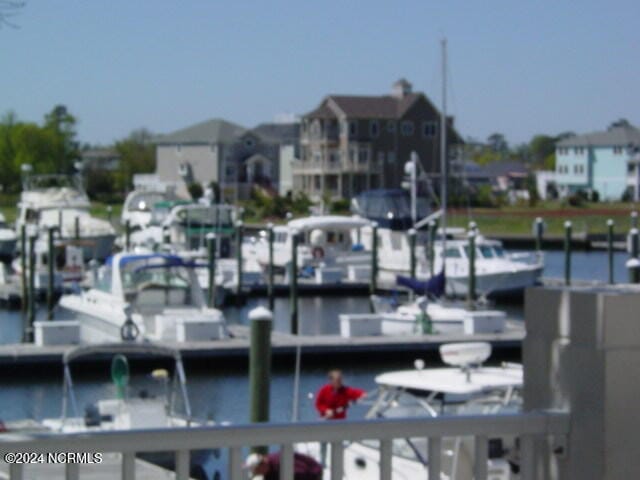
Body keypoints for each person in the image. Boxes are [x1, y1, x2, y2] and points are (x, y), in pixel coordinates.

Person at [243, 451, 322, 480]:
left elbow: (303, 473)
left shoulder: (281, 463)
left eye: (256, 471)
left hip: (312, 473)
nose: (256, 474)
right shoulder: (269, 470)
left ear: (261, 466)